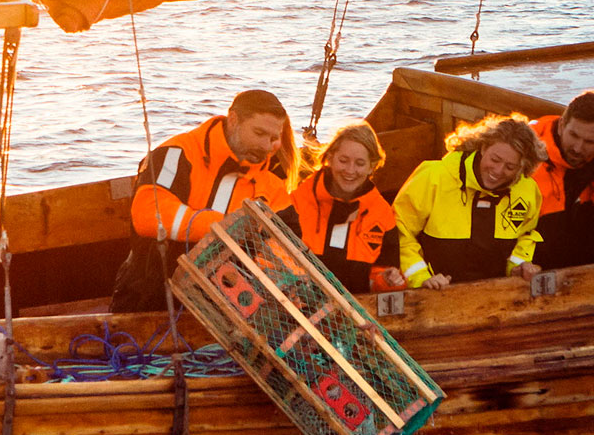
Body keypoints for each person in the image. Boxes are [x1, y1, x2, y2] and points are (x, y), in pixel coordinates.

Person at [112, 88, 297, 312]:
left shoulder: (272, 183)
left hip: (230, 305)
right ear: (234, 120)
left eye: (274, 138)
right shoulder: (176, 154)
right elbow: (147, 214)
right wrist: (225, 227)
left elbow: (283, 249)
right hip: (152, 292)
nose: (267, 147)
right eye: (259, 133)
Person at [391, 113, 546, 288]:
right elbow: (400, 231)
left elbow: (526, 235)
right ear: (483, 147)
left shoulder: (527, 190)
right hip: (436, 290)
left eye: (510, 167)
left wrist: (517, 267)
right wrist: (420, 278)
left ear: (522, 166)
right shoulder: (434, 177)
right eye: (495, 159)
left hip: (497, 291)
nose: (498, 170)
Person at [276, 120, 401, 293]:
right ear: (330, 158)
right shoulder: (297, 203)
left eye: (359, 163)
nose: (350, 170)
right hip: (301, 307)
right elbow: (273, 260)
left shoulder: (382, 214)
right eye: (343, 160)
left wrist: (386, 280)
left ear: (371, 167)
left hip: (359, 310)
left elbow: (383, 276)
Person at [528, 90, 594, 269]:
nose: (578, 148)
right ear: (562, 125)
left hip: (578, 266)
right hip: (528, 264)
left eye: (589, 141)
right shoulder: (525, 153)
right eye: (574, 135)